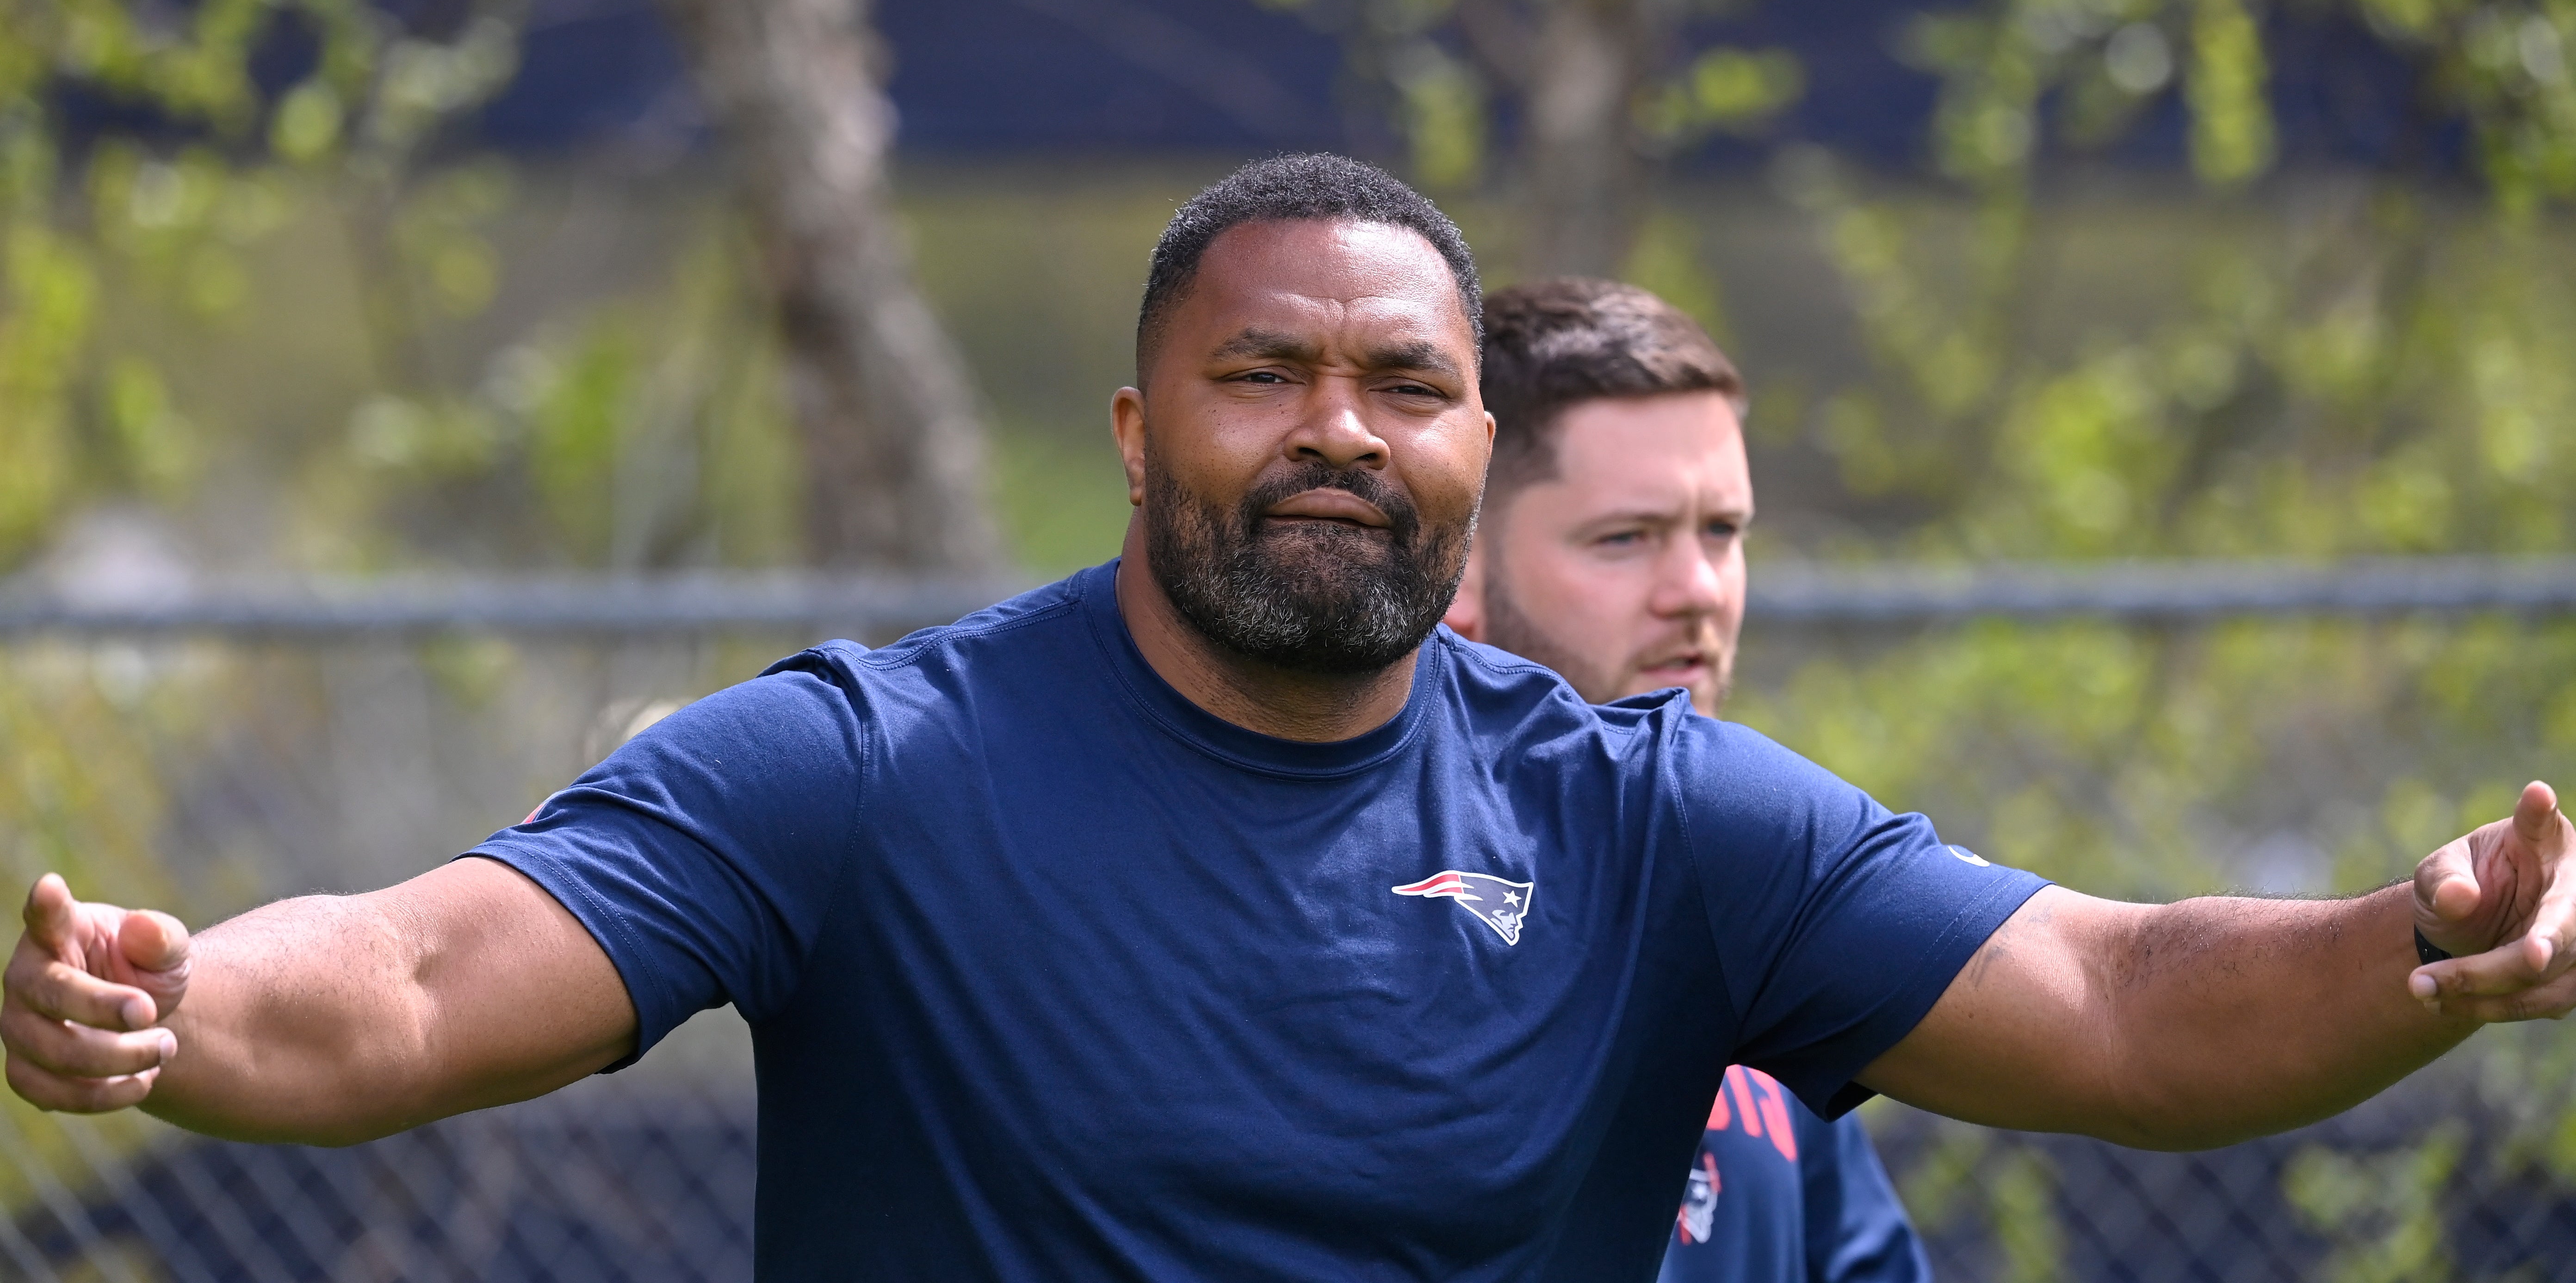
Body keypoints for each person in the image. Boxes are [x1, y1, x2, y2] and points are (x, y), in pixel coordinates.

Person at [6, 154, 2573, 1283]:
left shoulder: (1656, 828)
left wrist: (2412, 944)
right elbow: (436, 973)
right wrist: (175, 1005)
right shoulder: (871, 772)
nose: (1337, 424)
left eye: (1403, 379)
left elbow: (2123, 1003)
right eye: (1261, 373)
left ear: (1476, 439)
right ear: (1139, 434)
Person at [1444, 277, 1926, 1283]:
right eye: (1626, 537)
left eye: (1723, 532)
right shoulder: (1373, 914)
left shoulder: (1755, 890)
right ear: (1459, 572)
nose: (1699, 592)